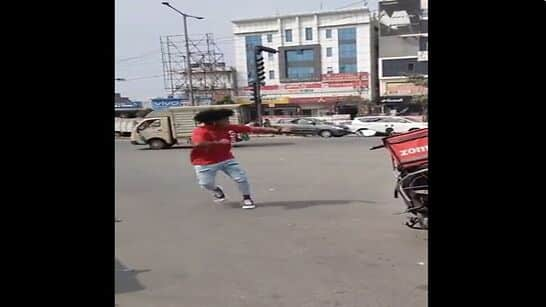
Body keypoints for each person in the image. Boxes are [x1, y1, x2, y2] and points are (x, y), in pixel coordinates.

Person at [190, 109, 289, 209]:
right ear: (215, 121)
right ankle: (217, 190)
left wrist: (277, 130)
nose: (228, 122)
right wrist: (220, 143)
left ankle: (247, 198)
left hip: (226, 159)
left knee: (241, 178)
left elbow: (251, 129)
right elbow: (199, 144)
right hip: (205, 162)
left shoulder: (227, 127)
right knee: (206, 184)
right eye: (225, 120)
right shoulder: (200, 131)